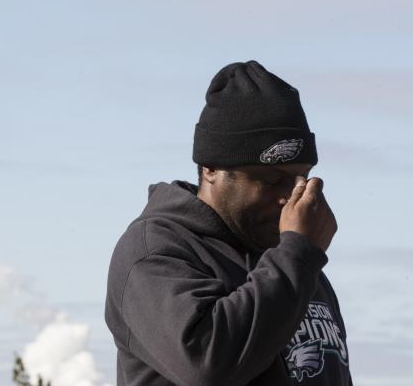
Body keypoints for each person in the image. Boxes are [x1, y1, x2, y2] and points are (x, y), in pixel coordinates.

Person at [105, 61, 351, 385]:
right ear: (210, 169)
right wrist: (299, 254)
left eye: (300, 178)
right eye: (271, 179)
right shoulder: (155, 251)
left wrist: (299, 256)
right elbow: (206, 364)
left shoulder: (296, 260)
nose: (289, 196)